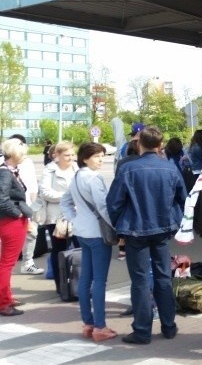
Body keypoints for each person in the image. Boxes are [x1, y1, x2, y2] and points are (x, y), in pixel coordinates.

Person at [106, 126, 187, 345]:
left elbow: (113, 203)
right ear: (160, 145)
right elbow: (183, 198)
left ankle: (142, 330)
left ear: (139, 143)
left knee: (140, 281)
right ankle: (169, 326)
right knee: (162, 278)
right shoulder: (170, 169)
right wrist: (174, 222)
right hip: (162, 230)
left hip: (135, 230)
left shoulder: (128, 169)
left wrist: (119, 226)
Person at [60, 142, 117, 341]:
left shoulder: (76, 176)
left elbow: (65, 201)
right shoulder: (94, 178)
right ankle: (100, 326)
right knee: (100, 280)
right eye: (96, 156)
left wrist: (74, 219)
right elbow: (103, 207)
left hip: (82, 232)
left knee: (86, 278)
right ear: (85, 158)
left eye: (102, 156)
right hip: (98, 234)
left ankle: (88, 323)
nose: (101, 160)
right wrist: (116, 228)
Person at [38, 141, 79, 287]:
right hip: (57, 217)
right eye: (67, 155)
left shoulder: (76, 168)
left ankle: (78, 282)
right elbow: (45, 192)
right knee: (59, 249)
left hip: (77, 215)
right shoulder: (50, 170)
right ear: (57, 155)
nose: (71, 158)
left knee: (80, 248)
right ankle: (60, 283)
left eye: (72, 154)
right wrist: (68, 197)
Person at [0, 138, 34, 316]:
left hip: (10, 220)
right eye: (23, 153)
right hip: (11, 222)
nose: (25, 156)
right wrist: (18, 213)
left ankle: (7, 297)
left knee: (6, 263)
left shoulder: (9, 171)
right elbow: (2, 199)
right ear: (15, 154)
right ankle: (4, 303)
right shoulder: (6, 172)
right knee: (7, 263)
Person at [10, 134, 43, 276]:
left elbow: (32, 184)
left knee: (31, 233)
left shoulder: (28, 162)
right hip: (10, 208)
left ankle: (27, 263)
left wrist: (33, 206)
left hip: (25, 207)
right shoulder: (3, 164)